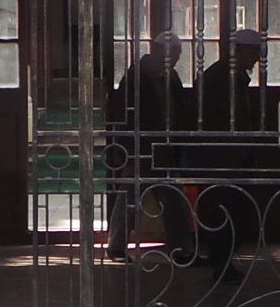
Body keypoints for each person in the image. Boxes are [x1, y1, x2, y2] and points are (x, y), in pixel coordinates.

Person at [191, 27, 270, 277]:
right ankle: (222, 264)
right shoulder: (221, 78)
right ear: (241, 51)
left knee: (230, 210)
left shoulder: (226, 75)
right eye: (254, 53)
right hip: (221, 157)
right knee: (225, 211)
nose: (256, 59)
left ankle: (222, 260)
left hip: (226, 156)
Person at [108, 32, 193, 263]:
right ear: (159, 52)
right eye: (173, 55)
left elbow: (179, 108)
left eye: (178, 56)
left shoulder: (170, 77)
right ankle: (117, 247)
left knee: (170, 197)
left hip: (163, 149)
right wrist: (127, 154)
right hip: (141, 148)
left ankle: (181, 250)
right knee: (131, 196)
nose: (175, 60)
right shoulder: (136, 78)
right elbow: (125, 118)